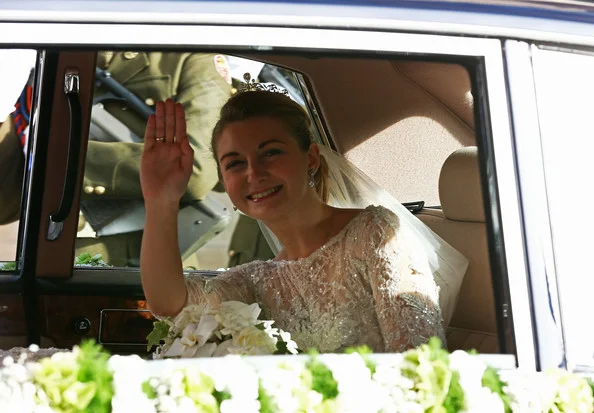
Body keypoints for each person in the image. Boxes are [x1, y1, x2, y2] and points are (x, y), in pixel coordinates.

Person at [139, 88, 465, 353]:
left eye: (271, 153)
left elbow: (419, 363)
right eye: (235, 163)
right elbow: (170, 304)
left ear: (310, 158)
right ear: (224, 181)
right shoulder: (253, 282)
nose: (254, 173)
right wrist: (161, 200)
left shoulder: (374, 232)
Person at [0, 51, 232, 267]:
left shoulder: (190, 57)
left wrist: (62, 163)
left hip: (142, 264)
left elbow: (197, 169)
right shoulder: (46, 54)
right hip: (51, 257)